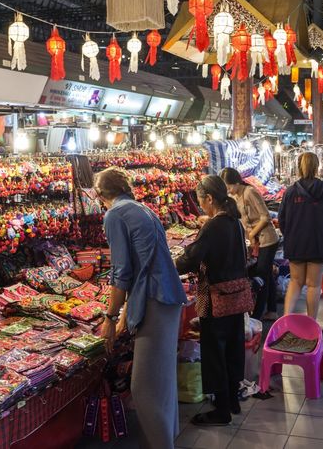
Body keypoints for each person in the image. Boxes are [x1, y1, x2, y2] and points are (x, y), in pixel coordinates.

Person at [95, 167, 186, 449]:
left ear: (100, 196)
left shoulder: (115, 214)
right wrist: (124, 313)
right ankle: (165, 439)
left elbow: (121, 272)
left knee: (144, 389)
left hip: (154, 300)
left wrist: (110, 317)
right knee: (163, 383)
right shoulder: (140, 209)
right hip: (166, 298)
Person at [176, 176, 247, 426]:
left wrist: (171, 264)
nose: (200, 206)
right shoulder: (234, 222)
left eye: (200, 201)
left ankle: (222, 411)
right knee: (232, 348)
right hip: (236, 296)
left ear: (209, 199)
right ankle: (232, 401)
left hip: (217, 297)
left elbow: (192, 258)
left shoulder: (214, 226)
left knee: (215, 352)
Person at [279, 153, 323, 320]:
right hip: (319, 243)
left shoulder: (290, 192)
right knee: (313, 286)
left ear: (299, 167)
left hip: (296, 243)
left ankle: (286, 321)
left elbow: (282, 220)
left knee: (295, 282)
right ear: (316, 167)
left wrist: (291, 235)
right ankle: (311, 324)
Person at [220, 167, 280, 320]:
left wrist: (252, 234)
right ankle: (272, 310)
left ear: (236, 182)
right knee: (266, 273)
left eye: (229, 187)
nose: (229, 190)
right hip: (256, 241)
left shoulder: (250, 192)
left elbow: (265, 217)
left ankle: (257, 316)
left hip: (267, 239)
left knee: (261, 276)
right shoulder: (235, 197)